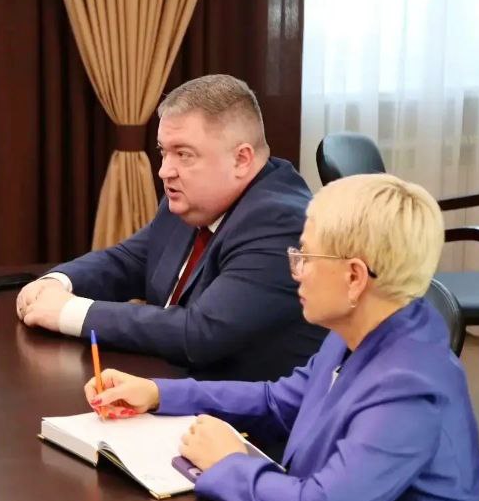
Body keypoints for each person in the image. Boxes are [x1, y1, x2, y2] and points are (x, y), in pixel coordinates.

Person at [84, 173, 479, 501]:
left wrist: (229, 464)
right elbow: (278, 401)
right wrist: (159, 393)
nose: (296, 271)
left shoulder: (410, 383)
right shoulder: (362, 331)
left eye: (306, 257)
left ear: (355, 277)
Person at [17, 75, 324, 381]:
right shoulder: (191, 200)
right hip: (170, 384)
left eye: (184, 154)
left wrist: (70, 312)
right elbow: (131, 260)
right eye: (163, 152)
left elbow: (201, 332)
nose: (164, 171)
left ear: (241, 159)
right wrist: (59, 282)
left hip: (244, 406)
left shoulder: (281, 222)